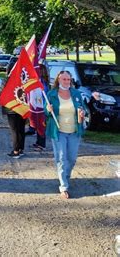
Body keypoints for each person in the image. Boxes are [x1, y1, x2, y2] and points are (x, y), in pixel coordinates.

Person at [45, 70, 88, 199]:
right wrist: (48, 110)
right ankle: (64, 186)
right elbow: (45, 112)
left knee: (72, 158)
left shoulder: (76, 94)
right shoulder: (51, 94)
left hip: (74, 131)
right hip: (59, 131)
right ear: (58, 80)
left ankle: (66, 178)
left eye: (69, 79)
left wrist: (82, 113)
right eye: (64, 79)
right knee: (62, 158)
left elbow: (82, 108)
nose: (67, 82)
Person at [1, 60, 26, 158]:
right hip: (22, 106)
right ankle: (21, 148)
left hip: (11, 108)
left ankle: (16, 150)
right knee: (21, 128)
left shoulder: (7, 80)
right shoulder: (24, 79)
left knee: (14, 130)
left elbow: (0, 92)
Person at [30, 63, 49, 151]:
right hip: (38, 107)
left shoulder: (43, 82)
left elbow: (43, 93)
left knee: (41, 126)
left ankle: (42, 144)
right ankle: (38, 142)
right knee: (38, 125)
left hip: (42, 107)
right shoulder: (40, 81)